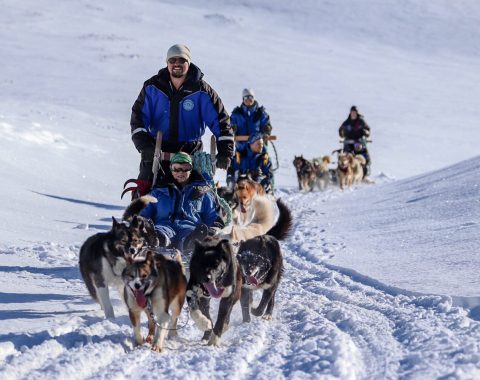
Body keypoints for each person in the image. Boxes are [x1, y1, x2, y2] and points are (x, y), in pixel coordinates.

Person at [129, 44, 234, 197]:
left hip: (191, 151)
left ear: (188, 63)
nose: (176, 63)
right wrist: (144, 145)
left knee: (202, 196)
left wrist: (225, 151)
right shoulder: (152, 87)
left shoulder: (202, 91)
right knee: (143, 193)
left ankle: (209, 220)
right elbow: (138, 118)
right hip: (157, 148)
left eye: (181, 60)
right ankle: (136, 219)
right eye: (172, 60)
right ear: (167, 63)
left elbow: (221, 121)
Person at [140, 152, 223, 251]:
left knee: (193, 235)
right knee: (160, 232)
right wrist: (141, 223)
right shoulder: (158, 192)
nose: (181, 172)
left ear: (191, 169)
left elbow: (213, 216)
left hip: (190, 228)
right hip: (164, 225)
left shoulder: (203, 193)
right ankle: (158, 240)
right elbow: (144, 213)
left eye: (185, 168)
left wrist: (213, 229)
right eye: (176, 169)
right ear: (171, 169)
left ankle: (191, 244)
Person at [226, 88, 272, 188]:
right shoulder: (237, 114)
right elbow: (230, 125)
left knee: (265, 163)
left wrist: (266, 128)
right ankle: (233, 185)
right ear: (242, 99)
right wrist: (232, 128)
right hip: (242, 148)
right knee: (236, 164)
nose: (248, 99)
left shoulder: (260, 113)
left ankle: (267, 185)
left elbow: (266, 124)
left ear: (254, 98)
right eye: (246, 97)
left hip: (257, 147)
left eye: (250, 97)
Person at [339, 105, 371, 177]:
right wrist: (341, 133)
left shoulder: (361, 121)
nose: (353, 114)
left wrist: (366, 132)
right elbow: (341, 129)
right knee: (346, 155)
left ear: (357, 113)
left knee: (361, 152)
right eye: (352, 112)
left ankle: (365, 167)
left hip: (358, 142)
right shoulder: (347, 122)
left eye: (354, 112)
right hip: (348, 142)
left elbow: (367, 129)